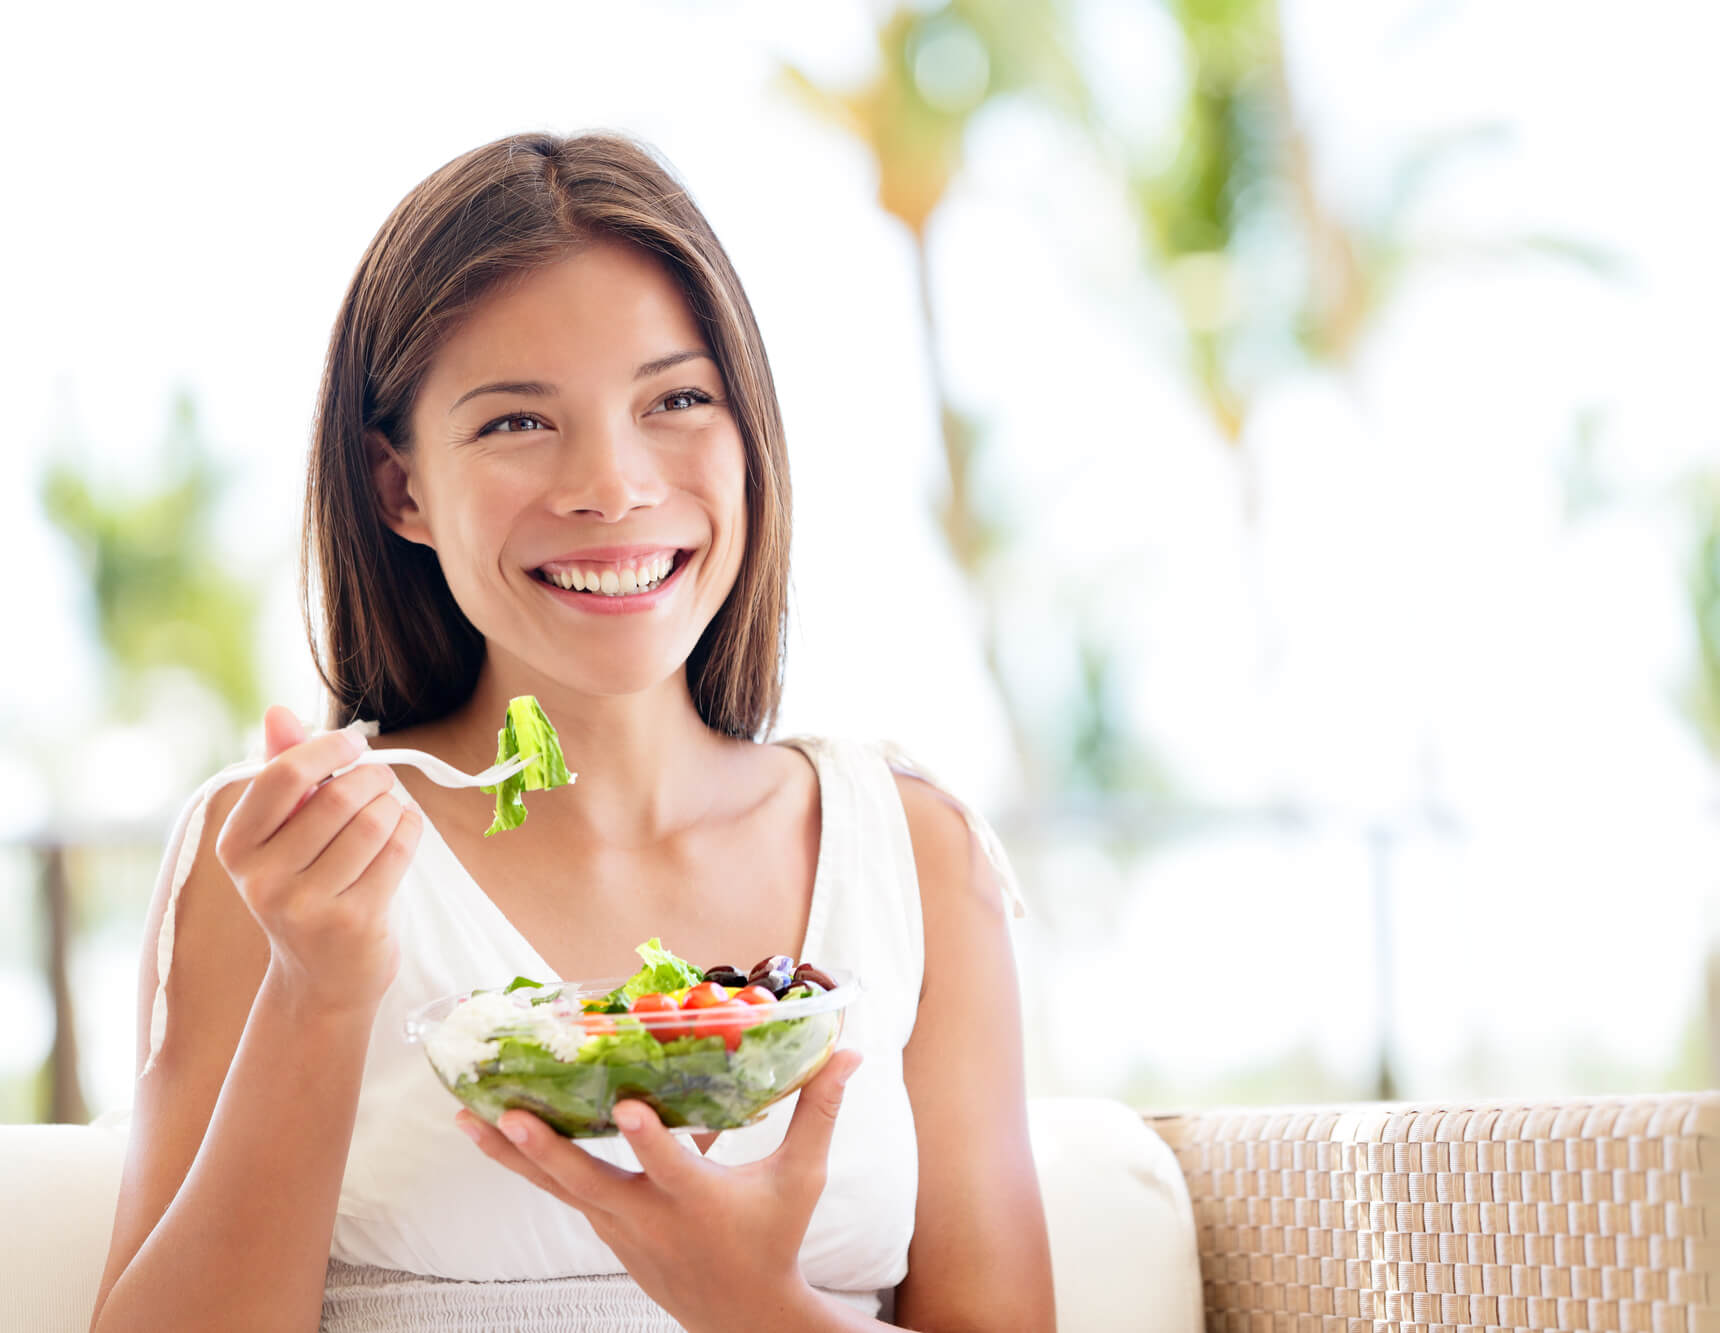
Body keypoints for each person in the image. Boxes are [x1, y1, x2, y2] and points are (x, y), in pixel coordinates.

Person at [89, 131, 1057, 1333]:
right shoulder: (285, 860)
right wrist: (317, 993)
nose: (612, 484)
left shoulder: (911, 851)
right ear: (401, 491)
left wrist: (753, 1305)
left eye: (677, 401)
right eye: (515, 424)